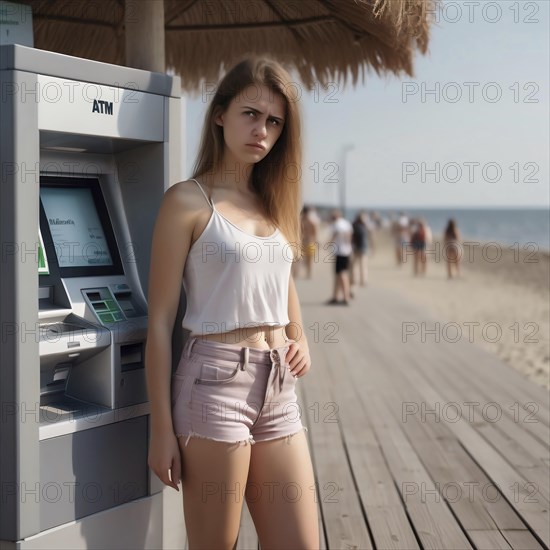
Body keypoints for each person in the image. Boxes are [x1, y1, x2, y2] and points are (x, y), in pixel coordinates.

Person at [145, 57, 319, 549]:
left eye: (273, 121)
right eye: (250, 114)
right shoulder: (187, 201)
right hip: (213, 384)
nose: (261, 130)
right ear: (220, 114)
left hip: (279, 386)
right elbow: (159, 322)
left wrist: (299, 336)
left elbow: (283, 284)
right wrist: (161, 430)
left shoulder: (274, 201)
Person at [325, 208, 353, 305]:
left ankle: (346, 297)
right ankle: (335, 296)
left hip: (340, 252)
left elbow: (335, 235)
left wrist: (328, 244)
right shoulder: (346, 223)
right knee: (338, 274)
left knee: (342, 274)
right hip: (346, 251)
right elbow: (349, 237)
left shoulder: (336, 225)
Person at [293, 205, 318, 279]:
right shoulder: (309, 222)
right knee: (302, 259)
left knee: (307, 259)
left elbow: (314, 234)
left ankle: (307, 273)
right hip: (306, 242)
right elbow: (315, 234)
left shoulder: (305, 222)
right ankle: (304, 273)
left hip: (308, 242)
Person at [349, 210, 372, 288]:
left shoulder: (354, 225)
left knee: (356, 264)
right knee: (361, 264)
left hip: (358, 247)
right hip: (361, 247)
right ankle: (362, 281)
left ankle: (357, 280)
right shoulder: (364, 225)